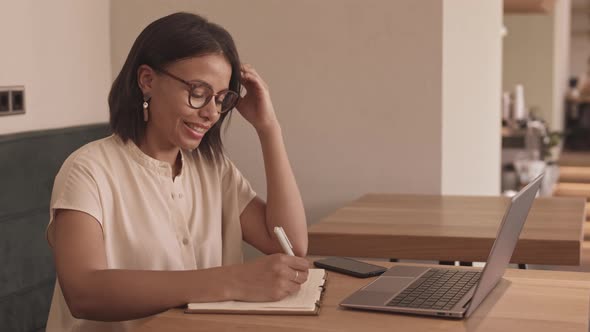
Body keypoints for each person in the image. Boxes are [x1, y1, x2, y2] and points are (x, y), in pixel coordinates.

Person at [45, 12, 309, 331]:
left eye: (221, 98)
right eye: (198, 92)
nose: (211, 113)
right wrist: (233, 280)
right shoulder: (87, 170)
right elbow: (84, 293)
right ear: (147, 80)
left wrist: (268, 128)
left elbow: (289, 245)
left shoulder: (214, 169)